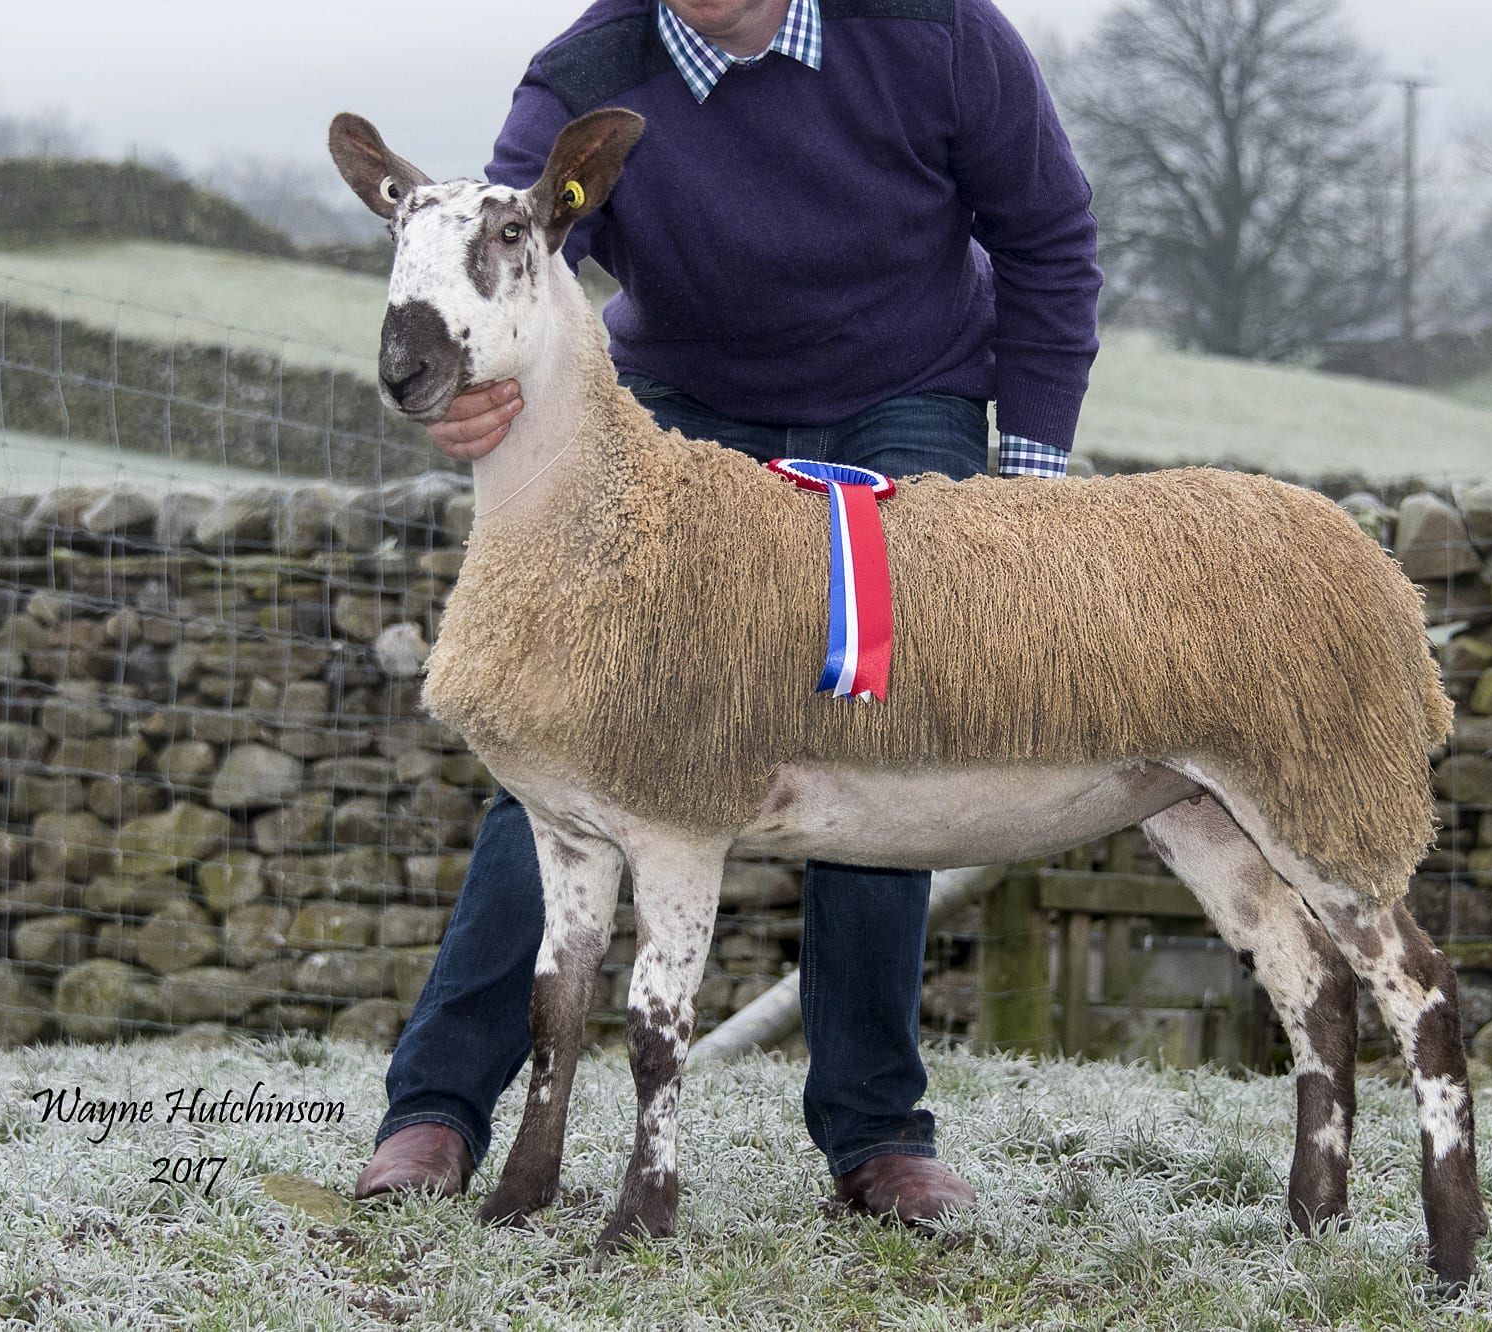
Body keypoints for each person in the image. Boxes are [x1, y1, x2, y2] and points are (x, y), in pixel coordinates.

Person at [355, 0, 1101, 1227]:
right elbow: (495, 247)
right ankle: (435, 1113)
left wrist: (1024, 486)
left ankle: (874, 1135)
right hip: (683, 413)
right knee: (566, 739)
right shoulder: (587, 75)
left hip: (900, 401)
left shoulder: (936, 33)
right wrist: (461, 394)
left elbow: (1048, 236)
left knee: (870, 719)